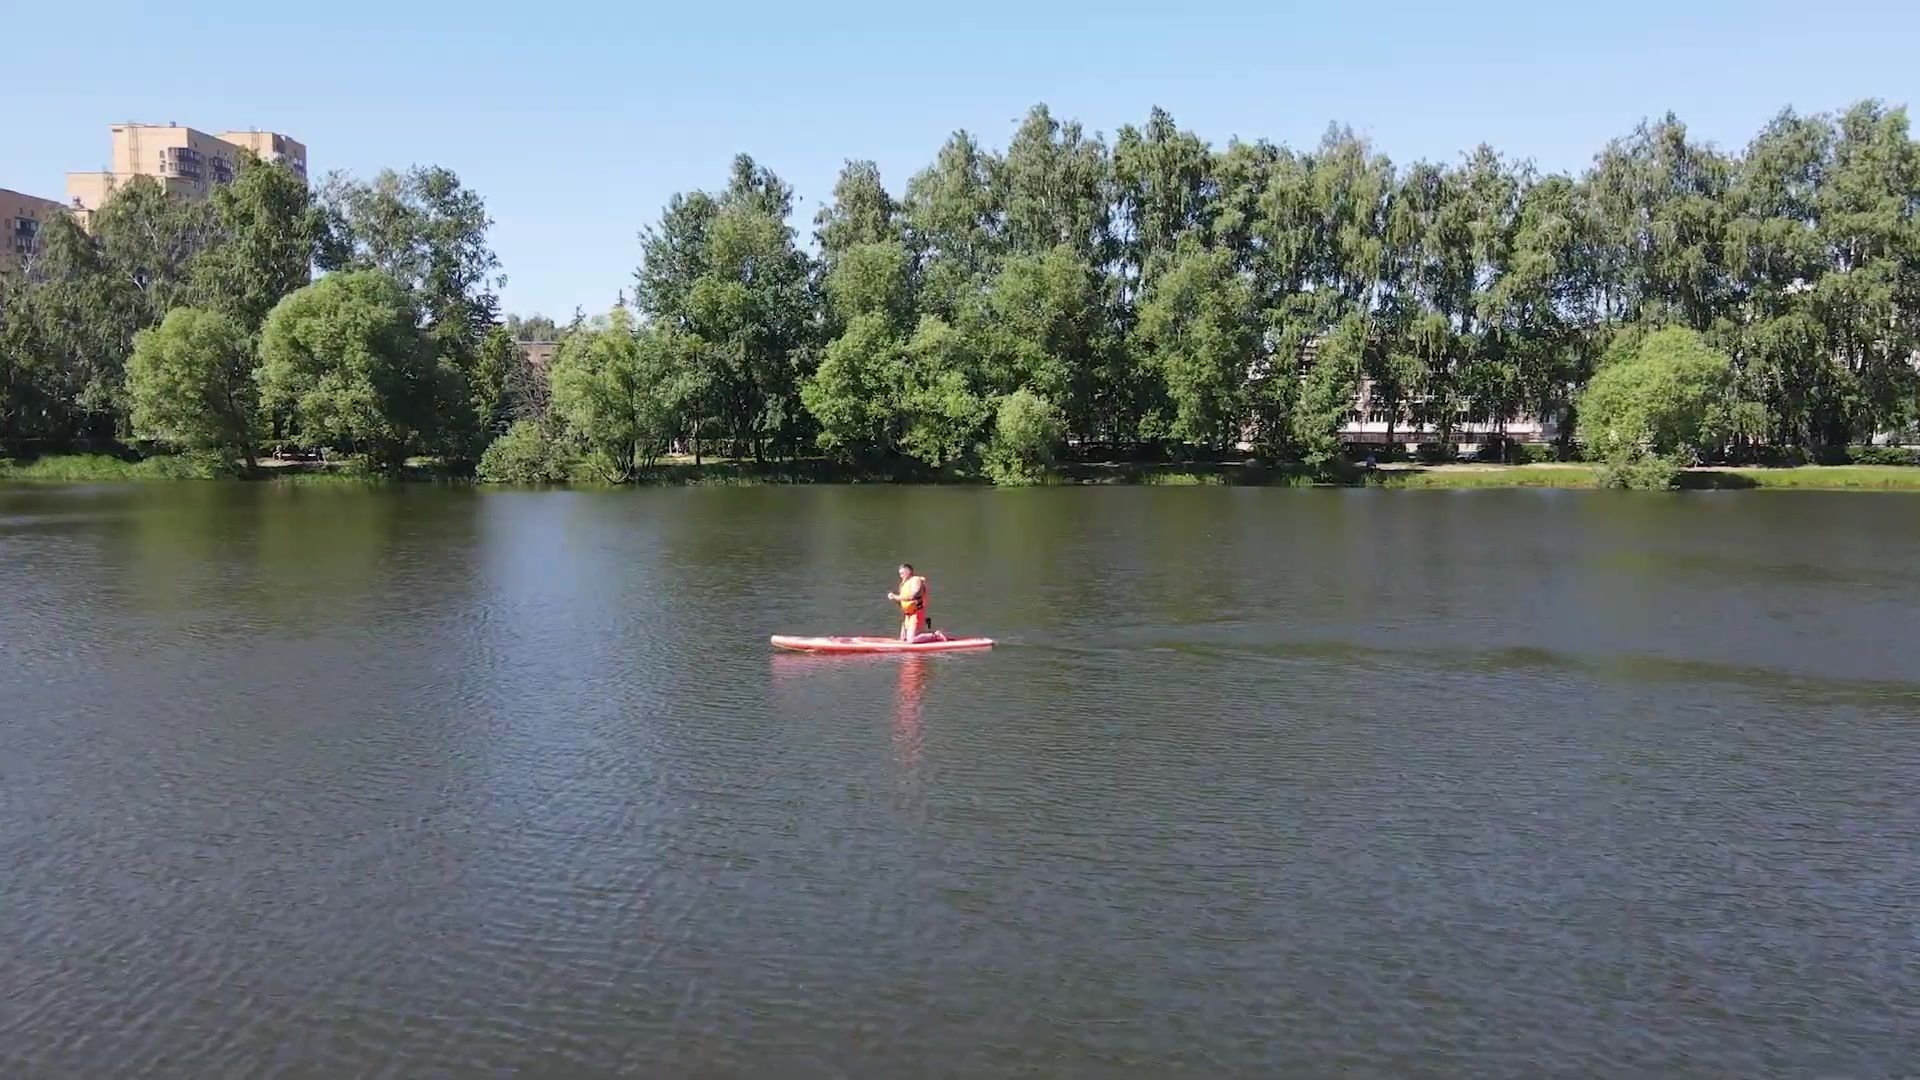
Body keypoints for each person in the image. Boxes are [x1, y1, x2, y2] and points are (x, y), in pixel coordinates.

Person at [887, 563, 944, 643]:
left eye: (902, 573)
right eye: (900, 574)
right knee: (903, 639)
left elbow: (913, 596)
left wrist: (896, 597)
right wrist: (894, 599)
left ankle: (935, 635)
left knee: (911, 640)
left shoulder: (916, 580)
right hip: (907, 614)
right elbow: (902, 601)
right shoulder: (904, 584)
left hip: (916, 612)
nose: (901, 576)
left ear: (908, 572)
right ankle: (922, 636)